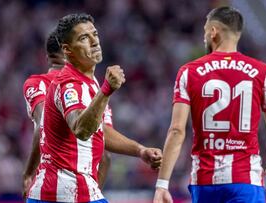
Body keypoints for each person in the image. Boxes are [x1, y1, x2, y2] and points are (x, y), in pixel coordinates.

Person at [153, 7, 266, 203]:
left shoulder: (189, 72)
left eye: (205, 31)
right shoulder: (262, 72)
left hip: (205, 182)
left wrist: (162, 185)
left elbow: (176, 130)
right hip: (246, 180)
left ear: (213, 31)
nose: (205, 37)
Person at [27, 13, 162, 203]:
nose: (94, 41)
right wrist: (107, 90)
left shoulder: (89, 82)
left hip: (76, 190)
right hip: (62, 193)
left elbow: (100, 131)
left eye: (94, 34)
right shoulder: (69, 84)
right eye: (84, 38)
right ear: (67, 50)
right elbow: (81, 129)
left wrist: (140, 151)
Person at [22, 31, 112, 198]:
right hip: (82, 189)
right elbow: (105, 154)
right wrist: (140, 150)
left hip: (46, 189)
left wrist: (28, 173)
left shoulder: (35, 83)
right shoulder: (92, 88)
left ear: (47, 57)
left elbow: (42, 124)